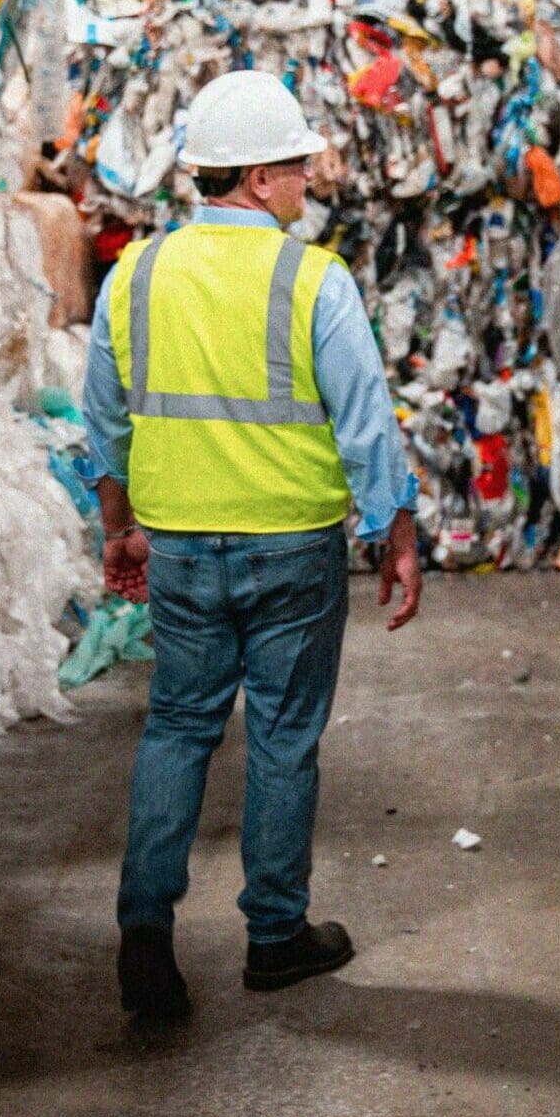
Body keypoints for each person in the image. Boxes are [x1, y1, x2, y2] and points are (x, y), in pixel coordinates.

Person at [80, 69, 424, 1020]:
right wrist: (395, 530)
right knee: (282, 734)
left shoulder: (135, 274)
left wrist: (119, 529)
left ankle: (145, 934)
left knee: (180, 726)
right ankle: (275, 936)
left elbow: (103, 423)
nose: (311, 179)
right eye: (300, 165)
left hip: (181, 544)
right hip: (292, 547)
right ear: (261, 178)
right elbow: (365, 423)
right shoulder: (313, 276)